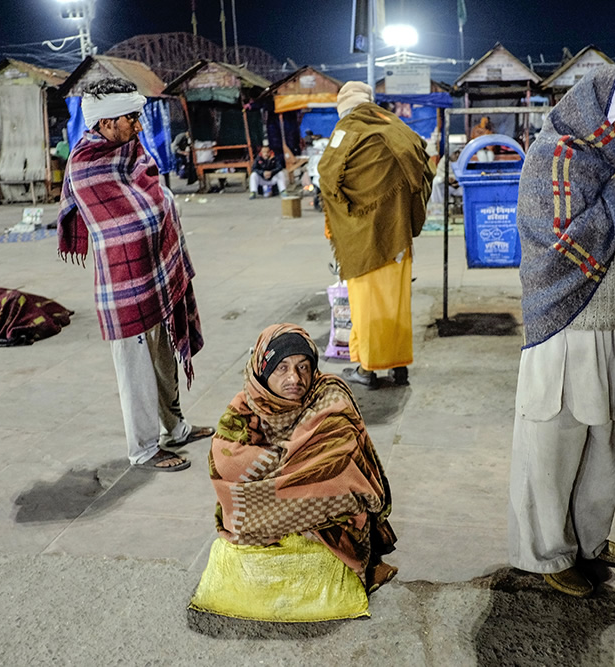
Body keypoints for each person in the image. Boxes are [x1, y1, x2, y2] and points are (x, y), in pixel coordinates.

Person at [509, 64, 615, 597]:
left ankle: (589, 540)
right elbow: (564, 249)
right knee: (554, 442)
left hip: (606, 322)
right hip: (562, 326)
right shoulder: (554, 158)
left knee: (606, 441)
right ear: (603, 117)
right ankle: (546, 552)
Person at [57, 77, 213, 473]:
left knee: (163, 358)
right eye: (131, 118)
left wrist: (161, 210)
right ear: (106, 123)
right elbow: (123, 222)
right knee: (135, 370)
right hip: (124, 285)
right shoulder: (85, 164)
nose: (139, 126)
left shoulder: (130, 148)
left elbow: (153, 193)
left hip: (157, 273)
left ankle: (175, 428)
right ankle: (143, 448)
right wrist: (157, 211)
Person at [190, 324, 397, 620]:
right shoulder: (244, 410)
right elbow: (226, 465)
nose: (294, 378)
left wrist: (283, 490)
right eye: (282, 368)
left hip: (324, 515)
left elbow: (347, 474)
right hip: (300, 511)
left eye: (303, 367)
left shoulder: (329, 398)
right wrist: (296, 481)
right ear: (263, 372)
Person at [318, 81, 434, 389]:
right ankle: (399, 368)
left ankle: (367, 370)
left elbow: (327, 176)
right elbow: (425, 166)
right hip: (397, 236)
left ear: (344, 108)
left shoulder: (348, 130)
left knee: (367, 306)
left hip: (365, 240)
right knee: (396, 302)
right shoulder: (395, 125)